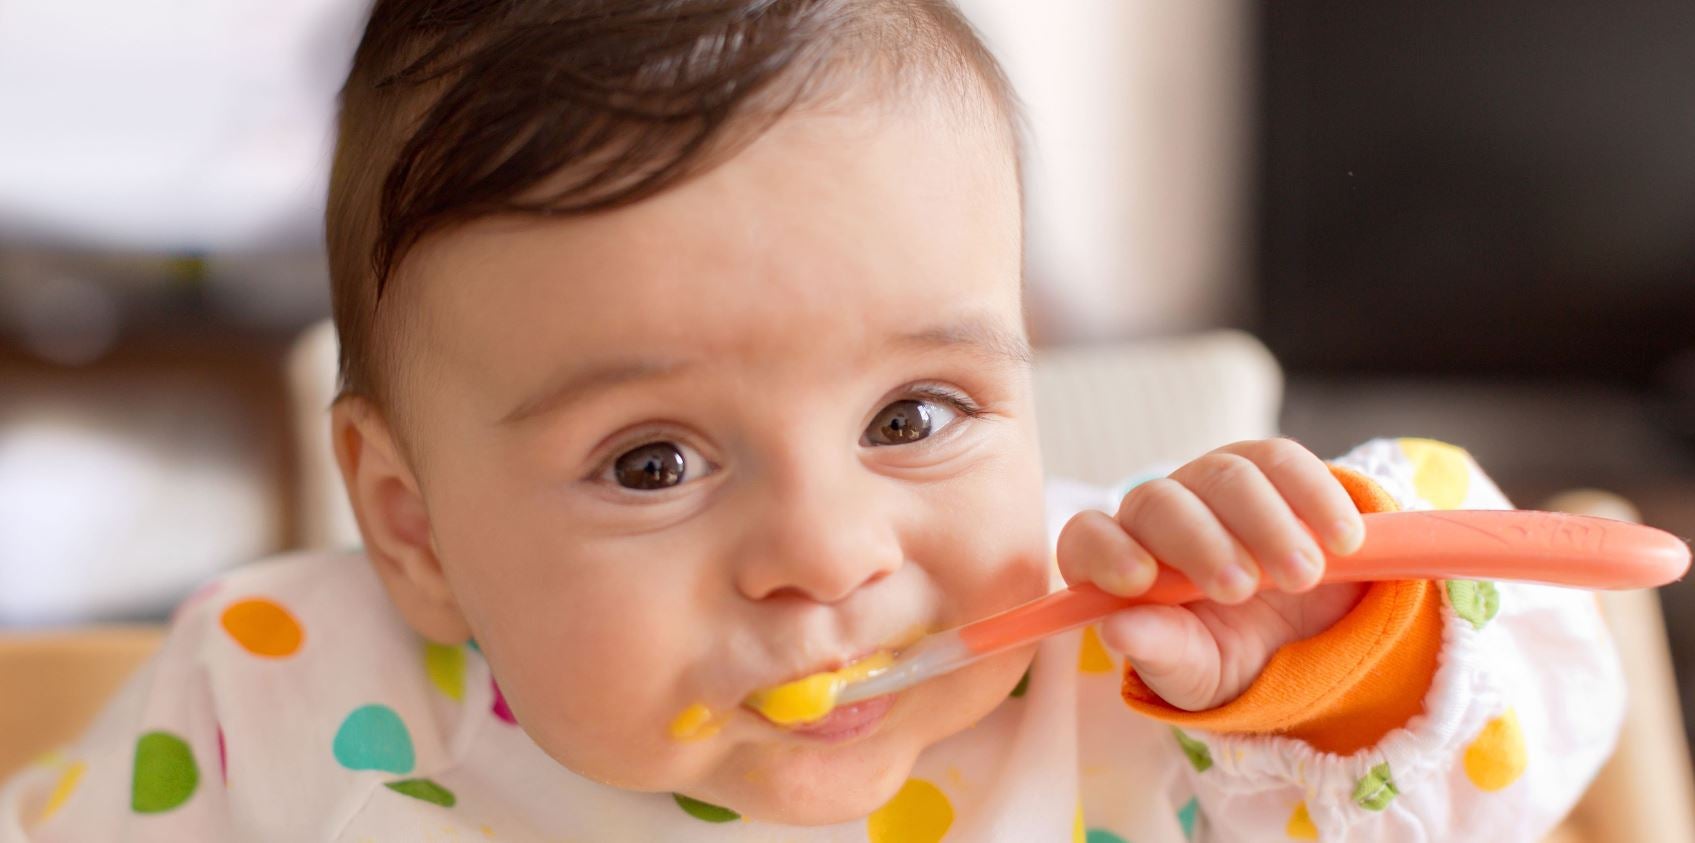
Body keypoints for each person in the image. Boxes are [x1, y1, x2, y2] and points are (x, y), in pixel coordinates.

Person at [0, 1, 1622, 839]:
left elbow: (1521, 756)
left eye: (918, 413)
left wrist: (1330, 659)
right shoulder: (272, 704)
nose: (827, 556)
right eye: (654, 461)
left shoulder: (1149, 675)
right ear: (412, 525)